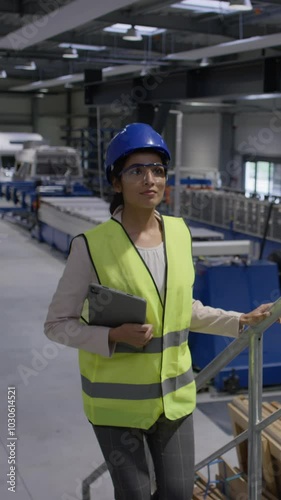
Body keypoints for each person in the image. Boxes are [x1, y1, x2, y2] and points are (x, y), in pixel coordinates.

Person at [44, 123, 275, 500]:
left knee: (179, 494)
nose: (150, 179)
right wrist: (111, 335)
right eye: (136, 170)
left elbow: (184, 310)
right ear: (116, 183)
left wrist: (239, 321)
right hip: (116, 407)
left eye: (157, 170)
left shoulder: (181, 233)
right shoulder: (90, 247)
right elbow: (56, 325)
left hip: (175, 400)